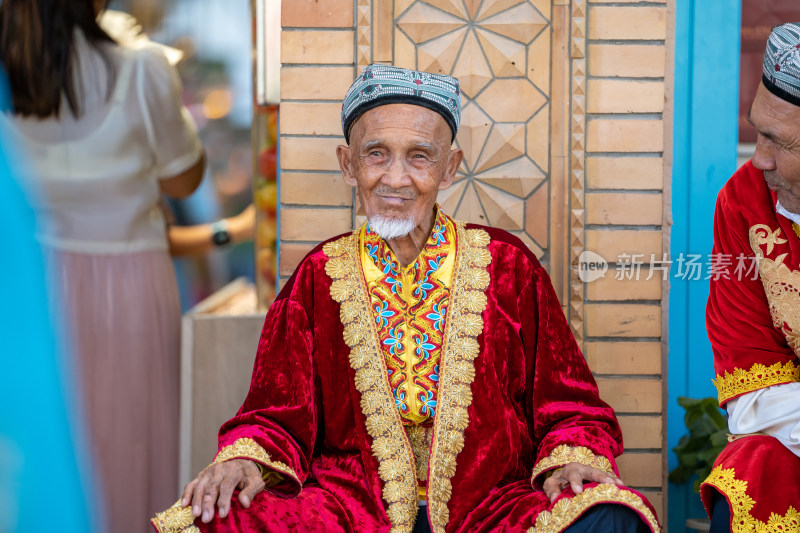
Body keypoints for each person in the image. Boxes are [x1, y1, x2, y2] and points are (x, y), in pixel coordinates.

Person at [152, 64, 660, 533]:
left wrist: (574, 457)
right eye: (377, 154)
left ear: (450, 167)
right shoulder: (317, 276)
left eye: (420, 157)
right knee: (204, 520)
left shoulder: (509, 266)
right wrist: (246, 459)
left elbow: (569, 404)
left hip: (490, 505)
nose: (395, 179)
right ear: (348, 164)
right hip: (348, 507)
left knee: (611, 518)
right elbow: (273, 414)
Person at [0, 1, 204, 531]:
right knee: (131, 436)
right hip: (129, 285)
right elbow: (186, 177)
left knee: (50, 437)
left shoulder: (11, 72)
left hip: (30, 287)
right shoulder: (140, 68)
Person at [703, 22, 800, 533]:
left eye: (777, 141)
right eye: (755, 129)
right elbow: (753, 397)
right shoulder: (745, 201)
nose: (758, 158)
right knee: (752, 465)